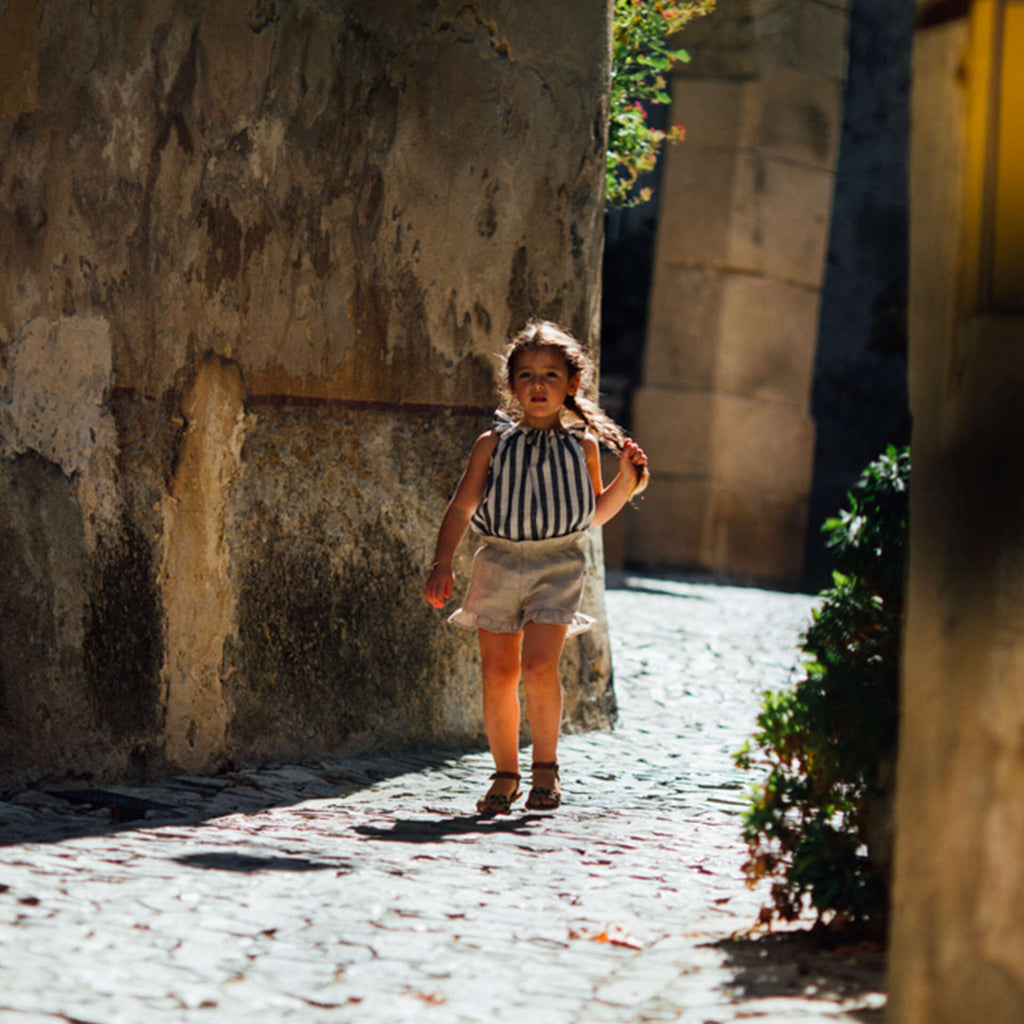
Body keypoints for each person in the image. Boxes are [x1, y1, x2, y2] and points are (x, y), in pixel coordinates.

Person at [423, 320, 649, 815]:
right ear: (512, 386)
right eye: (526, 375)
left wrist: (627, 480)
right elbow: (462, 508)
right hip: (498, 565)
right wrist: (443, 561)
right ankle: (505, 775)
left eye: (550, 374)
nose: (538, 384)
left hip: (559, 566)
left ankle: (545, 770)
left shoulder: (582, 446)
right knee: (499, 673)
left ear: (572, 384)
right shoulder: (493, 443)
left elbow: (590, 514)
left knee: (539, 665)